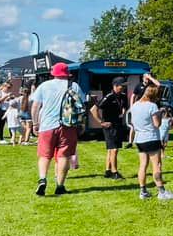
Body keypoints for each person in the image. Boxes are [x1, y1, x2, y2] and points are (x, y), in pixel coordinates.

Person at [30, 62, 84, 197]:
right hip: (67, 125)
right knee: (64, 156)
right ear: (67, 74)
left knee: (44, 155)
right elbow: (81, 104)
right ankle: (60, 185)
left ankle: (42, 178)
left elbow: (35, 106)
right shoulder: (74, 86)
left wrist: (35, 123)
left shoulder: (44, 86)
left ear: (53, 73)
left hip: (47, 125)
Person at [129, 85, 173, 201]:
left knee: (143, 165)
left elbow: (133, 122)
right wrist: (159, 114)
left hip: (139, 139)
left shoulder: (135, 105)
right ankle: (161, 191)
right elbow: (157, 124)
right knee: (156, 165)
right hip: (151, 138)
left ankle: (143, 191)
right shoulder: (152, 106)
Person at [90, 77, 129, 179]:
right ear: (115, 86)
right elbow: (94, 109)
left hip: (118, 124)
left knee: (111, 149)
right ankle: (114, 172)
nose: (124, 88)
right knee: (114, 149)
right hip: (109, 126)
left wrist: (123, 113)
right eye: (122, 86)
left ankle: (107, 170)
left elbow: (124, 107)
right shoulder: (109, 97)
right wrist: (101, 122)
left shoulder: (123, 96)